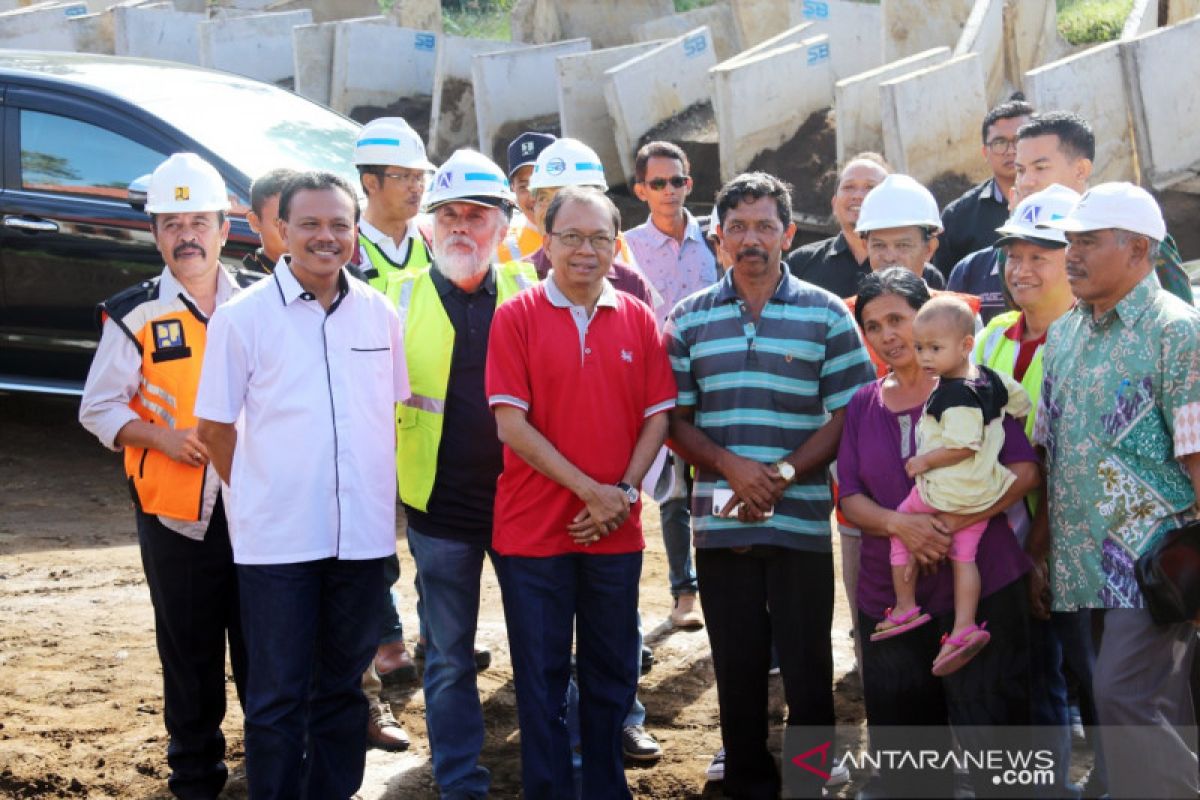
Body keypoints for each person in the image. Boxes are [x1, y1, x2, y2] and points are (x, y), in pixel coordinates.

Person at [195, 171, 409, 800]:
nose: (326, 237)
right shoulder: (242, 319)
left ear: (355, 231)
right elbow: (213, 428)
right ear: (281, 231)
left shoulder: (378, 313)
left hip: (362, 543)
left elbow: (387, 417)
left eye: (340, 224)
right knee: (279, 695)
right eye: (310, 224)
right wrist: (259, 499)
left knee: (343, 689)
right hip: (278, 546)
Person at [666, 172, 876, 798]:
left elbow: (851, 412)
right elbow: (675, 418)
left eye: (763, 226)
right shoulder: (688, 319)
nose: (750, 238)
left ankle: (810, 781)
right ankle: (749, 777)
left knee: (809, 663)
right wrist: (734, 468)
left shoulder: (826, 314)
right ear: (719, 236)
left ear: (788, 232)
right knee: (737, 661)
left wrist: (781, 475)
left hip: (802, 519)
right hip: (719, 520)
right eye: (737, 227)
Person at [485, 186, 677, 799]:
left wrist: (617, 493)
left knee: (612, 673)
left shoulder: (638, 317)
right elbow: (510, 425)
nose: (585, 250)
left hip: (614, 532)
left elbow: (657, 417)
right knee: (540, 679)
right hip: (534, 535)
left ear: (616, 245)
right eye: (571, 236)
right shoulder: (514, 317)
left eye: (599, 238)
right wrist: (592, 491)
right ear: (547, 241)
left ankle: (604, 787)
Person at [78, 152, 248, 800]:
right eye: (172, 223)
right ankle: (195, 777)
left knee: (265, 651)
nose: (187, 236)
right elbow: (98, 407)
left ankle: (271, 761)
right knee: (190, 653)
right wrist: (163, 440)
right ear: (155, 234)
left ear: (223, 229)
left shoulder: (258, 304)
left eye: (198, 221)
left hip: (256, 511)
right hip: (176, 514)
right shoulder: (136, 313)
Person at [837, 267, 1040, 798]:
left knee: (999, 753)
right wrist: (901, 524)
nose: (888, 335)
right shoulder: (862, 404)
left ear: (926, 316)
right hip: (892, 600)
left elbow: (1025, 472)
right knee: (910, 762)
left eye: (898, 319)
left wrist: (951, 525)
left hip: (983, 586)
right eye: (873, 325)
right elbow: (850, 497)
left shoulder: (975, 387)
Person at [1034, 182, 1200, 799]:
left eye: (1088, 241)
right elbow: (1052, 453)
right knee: (1149, 705)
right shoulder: (1064, 336)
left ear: (1139, 250)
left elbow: (1198, 453)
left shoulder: (1177, 332)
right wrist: (1041, 552)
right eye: (1069, 241)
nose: (1070, 255)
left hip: (1155, 563)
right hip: (1082, 564)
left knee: (1121, 696)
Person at [384, 149, 538, 798]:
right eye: (447, 214)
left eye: (477, 215)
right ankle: (458, 783)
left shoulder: (535, 299)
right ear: (427, 225)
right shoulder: (395, 298)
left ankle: (549, 773)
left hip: (524, 508)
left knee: (540, 654)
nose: (461, 227)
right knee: (447, 658)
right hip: (438, 511)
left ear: (504, 227)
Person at [976, 183, 1099, 797]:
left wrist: (1042, 551)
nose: (1020, 270)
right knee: (1025, 673)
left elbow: (1065, 459)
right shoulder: (994, 332)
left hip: (1071, 542)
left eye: (1038, 257)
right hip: (1001, 539)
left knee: (1091, 673)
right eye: (1013, 255)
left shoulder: (1088, 338)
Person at [876, 296, 1032, 678]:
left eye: (934, 348)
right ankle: (963, 627)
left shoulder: (955, 393)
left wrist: (923, 461)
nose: (925, 357)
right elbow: (1022, 403)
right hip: (984, 491)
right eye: (920, 347)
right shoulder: (990, 379)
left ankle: (905, 606)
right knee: (964, 556)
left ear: (966, 345)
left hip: (945, 491)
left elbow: (963, 444)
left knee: (900, 531)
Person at [623, 140, 716, 631]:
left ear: (689, 184)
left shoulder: (716, 241)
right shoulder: (628, 246)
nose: (668, 190)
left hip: (716, 377)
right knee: (674, 487)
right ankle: (685, 591)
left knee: (718, 479)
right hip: (658, 382)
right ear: (640, 189)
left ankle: (723, 580)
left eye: (676, 181)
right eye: (657, 183)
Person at [1015, 110, 1192, 305]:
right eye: (1020, 170)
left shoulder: (1133, 232)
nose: (1026, 182)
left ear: (1081, 169)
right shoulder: (1014, 240)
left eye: (1040, 168)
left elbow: (1179, 310)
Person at [520, 137, 655, 306]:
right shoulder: (516, 280)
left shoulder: (630, 284)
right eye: (543, 198)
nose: (550, 210)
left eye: (562, 198)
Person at [933, 98, 1034, 279]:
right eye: (999, 142)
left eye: (1019, 140)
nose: (1011, 150)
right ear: (985, 153)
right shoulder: (959, 217)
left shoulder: (1062, 204)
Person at [786, 152, 890, 298]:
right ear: (834, 204)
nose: (858, 195)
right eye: (849, 187)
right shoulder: (800, 265)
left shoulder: (914, 265)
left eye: (870, 187)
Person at [352, 116, 436, 292]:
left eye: (419, 176)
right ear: (371, 183)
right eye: (404, 176)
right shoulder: (347, 250)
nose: (416, 187)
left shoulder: (434, 243)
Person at [855, 174, 947, 290]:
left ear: (929, 249)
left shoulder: (957, 308)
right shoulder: (845, 308)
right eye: (879, 245)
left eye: (903, 245)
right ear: (865, 247)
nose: (889, 257)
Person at [496, 131, 557, 263]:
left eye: (541, 183)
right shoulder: (500, 247)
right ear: (512, 188)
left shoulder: (598, 231)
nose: (533, 197)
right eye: (524, 187)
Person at [243, 167, 299, 274]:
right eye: (281, 221)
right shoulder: (245, 288)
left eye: (306, 221)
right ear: (255, 222)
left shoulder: (334, 281)